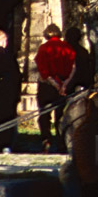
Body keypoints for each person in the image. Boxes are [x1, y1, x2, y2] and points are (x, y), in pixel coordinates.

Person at [34, 24, 77, 152]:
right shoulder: (68, 47)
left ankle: (46, 140)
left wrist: (55, 84)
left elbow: (43, 71)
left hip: (47, 86)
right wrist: (64, 85)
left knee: (44, 114)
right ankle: (61, 142)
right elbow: (73, 68)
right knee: (61, 115)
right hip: (64, 84)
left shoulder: (43, 48)